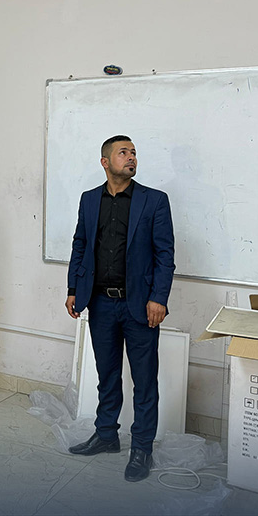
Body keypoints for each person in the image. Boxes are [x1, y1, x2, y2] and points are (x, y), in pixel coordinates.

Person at [65, 135, 175, 482]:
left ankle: (141, 447)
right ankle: (106, 435)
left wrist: (159, 298)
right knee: (107, 375)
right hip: (100, 302)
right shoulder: (89, 199)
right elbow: (80, 244)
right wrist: (73, 288)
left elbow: (165, 254)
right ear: (105, 162)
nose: (131, 158)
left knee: (144, 380)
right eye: (123, 153)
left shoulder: (154, 200)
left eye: (134, 153)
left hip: (140, 305)